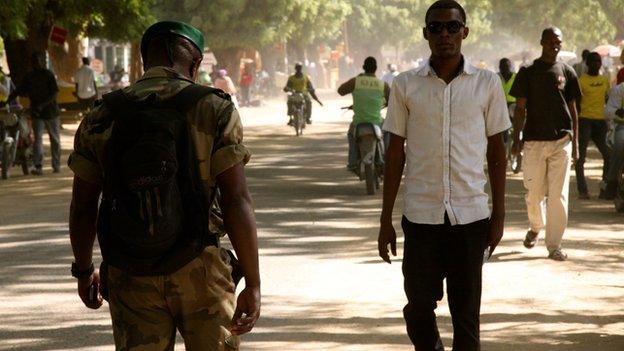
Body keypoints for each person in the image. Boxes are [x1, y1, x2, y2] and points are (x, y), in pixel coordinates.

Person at [67, 21, 260, 350]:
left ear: (144, 61)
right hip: (202, 269)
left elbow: (84, 206)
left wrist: (85, 271)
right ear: (195, 64)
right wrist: (253, 284)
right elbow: (235, 200)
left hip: (130, 274)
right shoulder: (214, 108)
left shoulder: (101, 115)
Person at [378, 1, 510, 350]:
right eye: (435, 28)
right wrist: (385, 220)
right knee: (418, 307)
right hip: (421, 217)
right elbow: (395, 154)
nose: (444, 35)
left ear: (465, 31)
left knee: (466, 316)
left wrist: (499, 214)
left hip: (471, 217)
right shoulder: (406, 86)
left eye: (452, 27)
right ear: (425, 34)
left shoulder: (487, 84)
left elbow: (498, 152)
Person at [510, 27, 581, 261]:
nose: (554, 45)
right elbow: (520, 109)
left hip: (562, 140)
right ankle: (535, 226)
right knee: (534, 193)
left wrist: (576, 142)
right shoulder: (528, 72)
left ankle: (554, 245)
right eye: (550, 42)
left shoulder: (568, 72)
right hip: (533, 142)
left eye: (558, 41)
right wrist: (516, 141)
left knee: (558, 195)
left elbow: (573, 110)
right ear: (541, 42)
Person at [3, 52, 61, 175]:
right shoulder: (29, 77)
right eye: (34, 61)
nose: (36, 63)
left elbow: (55, 93)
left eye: (38, 60)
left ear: (42, 61)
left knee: (55, 139)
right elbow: (18, 90)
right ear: (32, 63)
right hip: (36, 113)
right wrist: (6, 102)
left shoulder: (48, 74)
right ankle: (38, 166)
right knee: (37, 140)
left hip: (51, 113)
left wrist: (43, 105)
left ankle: (56, 165)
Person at [337, 57, 390, 172]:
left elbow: (340, 91)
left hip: (358, 122)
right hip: (377, 122)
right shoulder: (382, 84)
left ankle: (352, 162)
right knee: (387, 133)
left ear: (363, 67)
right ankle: (387, 160)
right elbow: (391, 101)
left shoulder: (356, 81)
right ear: (376, 68)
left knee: (352, 136)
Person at [575, 52, 611, 199]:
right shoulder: (581, 81)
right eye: (594, 61)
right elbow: (576, 103)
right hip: (584, 121)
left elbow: (608, 100)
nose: (597, 63)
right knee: (580, 158)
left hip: (600, 122)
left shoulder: (604, 80)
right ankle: (583, 190)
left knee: (608, 155)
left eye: (599, 61)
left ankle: (604, 188)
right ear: (587, 63)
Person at [603, 81, 624, 199]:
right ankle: (612, 180)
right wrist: (616, 111)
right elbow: (607, 112)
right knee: (620, 145)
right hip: (621, 127)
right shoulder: (619, 90)